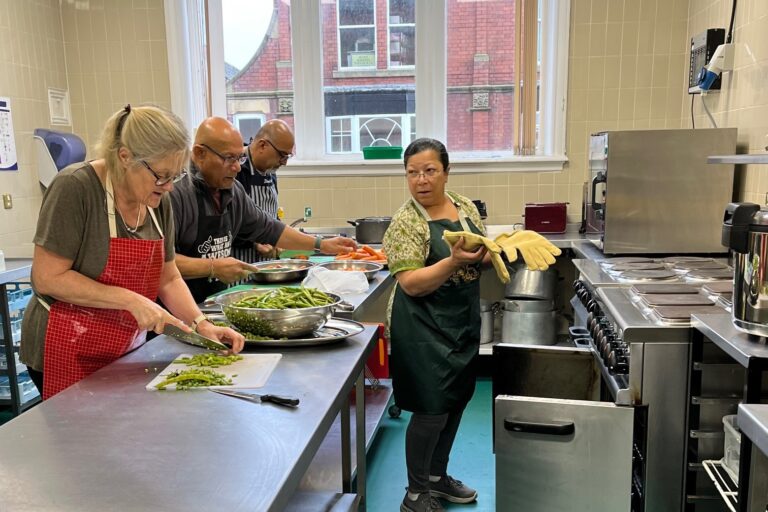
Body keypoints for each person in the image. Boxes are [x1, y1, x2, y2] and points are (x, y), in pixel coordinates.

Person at [20, 105, 245, 400]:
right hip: (66, 346)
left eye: (174, 177)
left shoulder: (157, 200)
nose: (168, 188)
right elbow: (48, 277)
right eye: (161, 176)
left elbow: (168, 277)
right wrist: (128, 299)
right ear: (125, 157)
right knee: (81, 442)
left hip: (122, 347)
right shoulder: (76, 187)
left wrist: (201, 324)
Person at [383, 138, 559, 512]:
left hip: (459, 322)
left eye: (429, 171)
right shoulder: (406, 222)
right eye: (412, 173)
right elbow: (412, 283)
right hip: (421, 327)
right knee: (430, 410)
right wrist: (452, 262)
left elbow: (475, 257)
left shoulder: (462, 207)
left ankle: (436, 479)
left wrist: (503, 248)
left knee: (456, 402)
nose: (421, 180)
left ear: (446, 171)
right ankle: (415, 494)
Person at [171, 117, 356, 303]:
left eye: (239, 158)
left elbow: (269, 228)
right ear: (200, 153)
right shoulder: (175, 193)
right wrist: (211, 267)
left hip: (211, 302)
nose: (236, 167)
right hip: (175, 308)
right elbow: (160, 263)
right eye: (229, 158)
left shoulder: (233, 190)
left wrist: (322, 244)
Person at [233, 119, 295, 263]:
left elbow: (271, 215)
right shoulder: (235, 170)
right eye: (282, 155)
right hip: (240, 266)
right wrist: (253, 242)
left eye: (287, 156)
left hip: (267, 266)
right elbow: (224, 226)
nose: (284, 162)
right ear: (262, 145)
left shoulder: (270, 170)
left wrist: (278, 238)